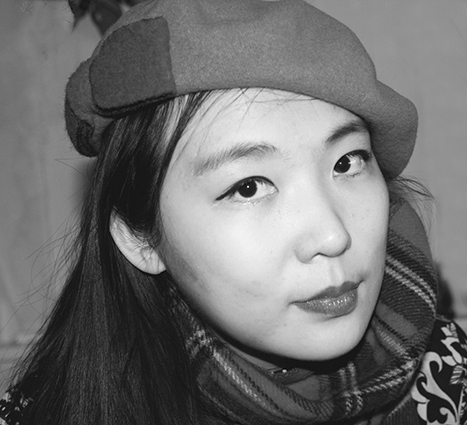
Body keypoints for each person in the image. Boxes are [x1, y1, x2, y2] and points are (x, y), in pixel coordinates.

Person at [1, 0, 466, 423]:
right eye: (248, 187)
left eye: (347, 163)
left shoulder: (452, 372)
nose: (332, 236)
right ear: (140, 237)